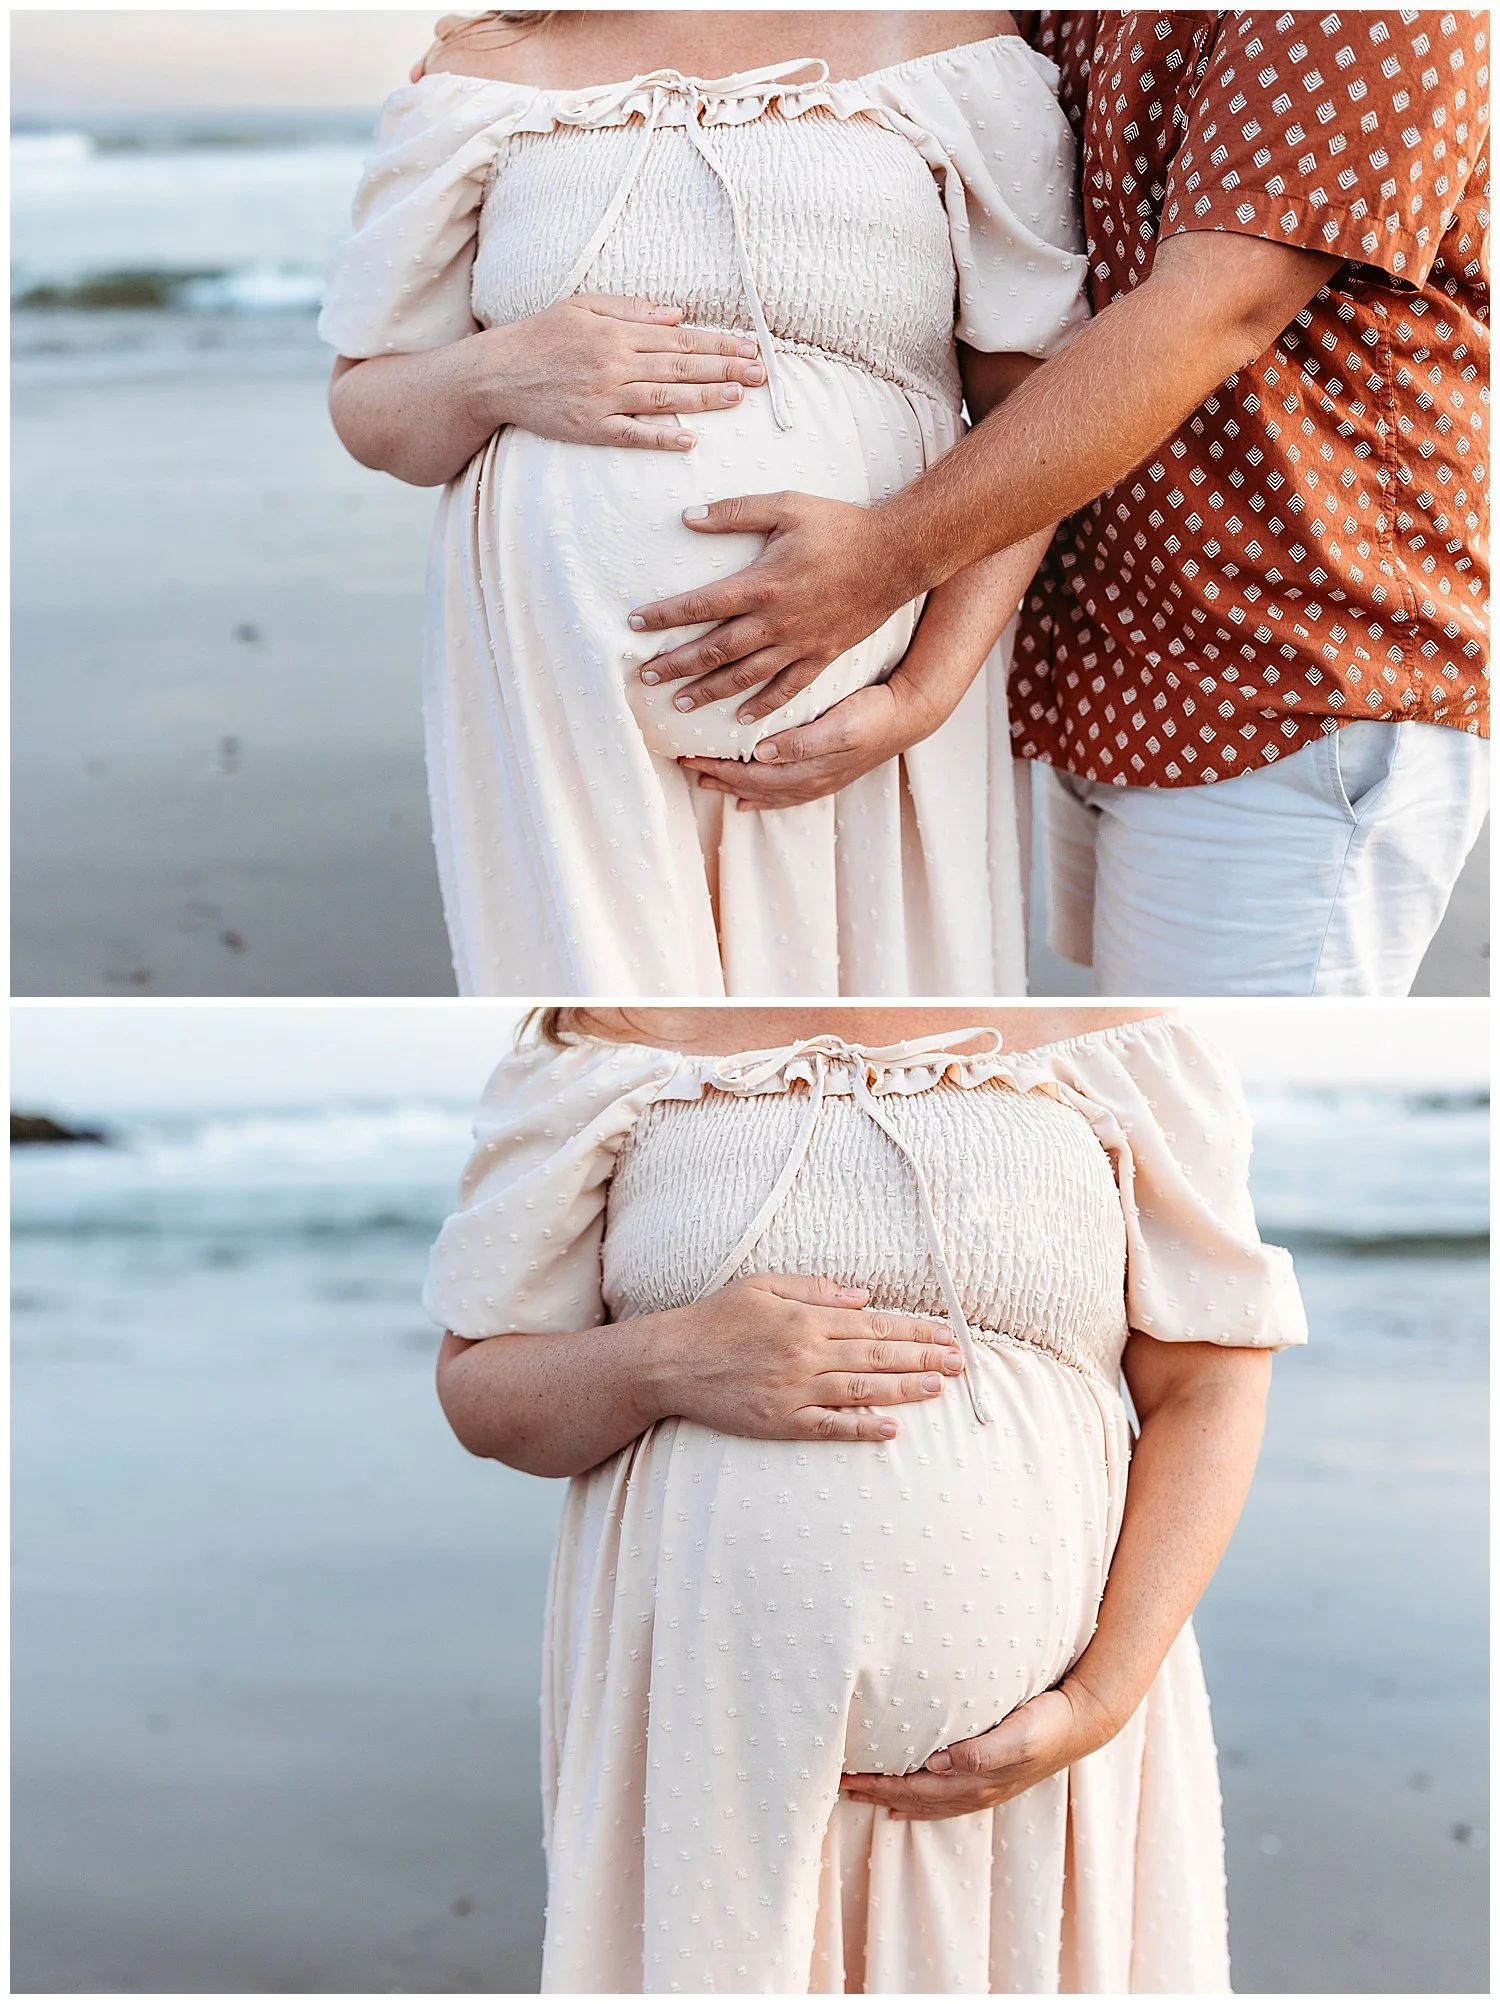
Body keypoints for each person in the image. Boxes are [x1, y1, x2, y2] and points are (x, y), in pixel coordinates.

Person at [426, 1004, 1308, 1992]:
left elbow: (1211, 1384)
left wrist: (1100, 1699)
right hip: (703, 1758)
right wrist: (663, 1361)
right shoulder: (606, 1044)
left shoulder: (1126, 1043)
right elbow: (481, 1394)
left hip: (1045, 1758)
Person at [626, 10, 1490, 996]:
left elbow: (1213, 312)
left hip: (1294, 675)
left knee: (1210, 1082)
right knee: (1120, 1049)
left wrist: (883, 562)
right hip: (1104, 662)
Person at [319, 10, 1090, 997]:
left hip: (862, 716)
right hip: (561, 731)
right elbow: (367, 410)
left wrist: (924, 689)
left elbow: (1038, 403)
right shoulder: (485, 68)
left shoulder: (948, 42)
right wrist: (493, 374)